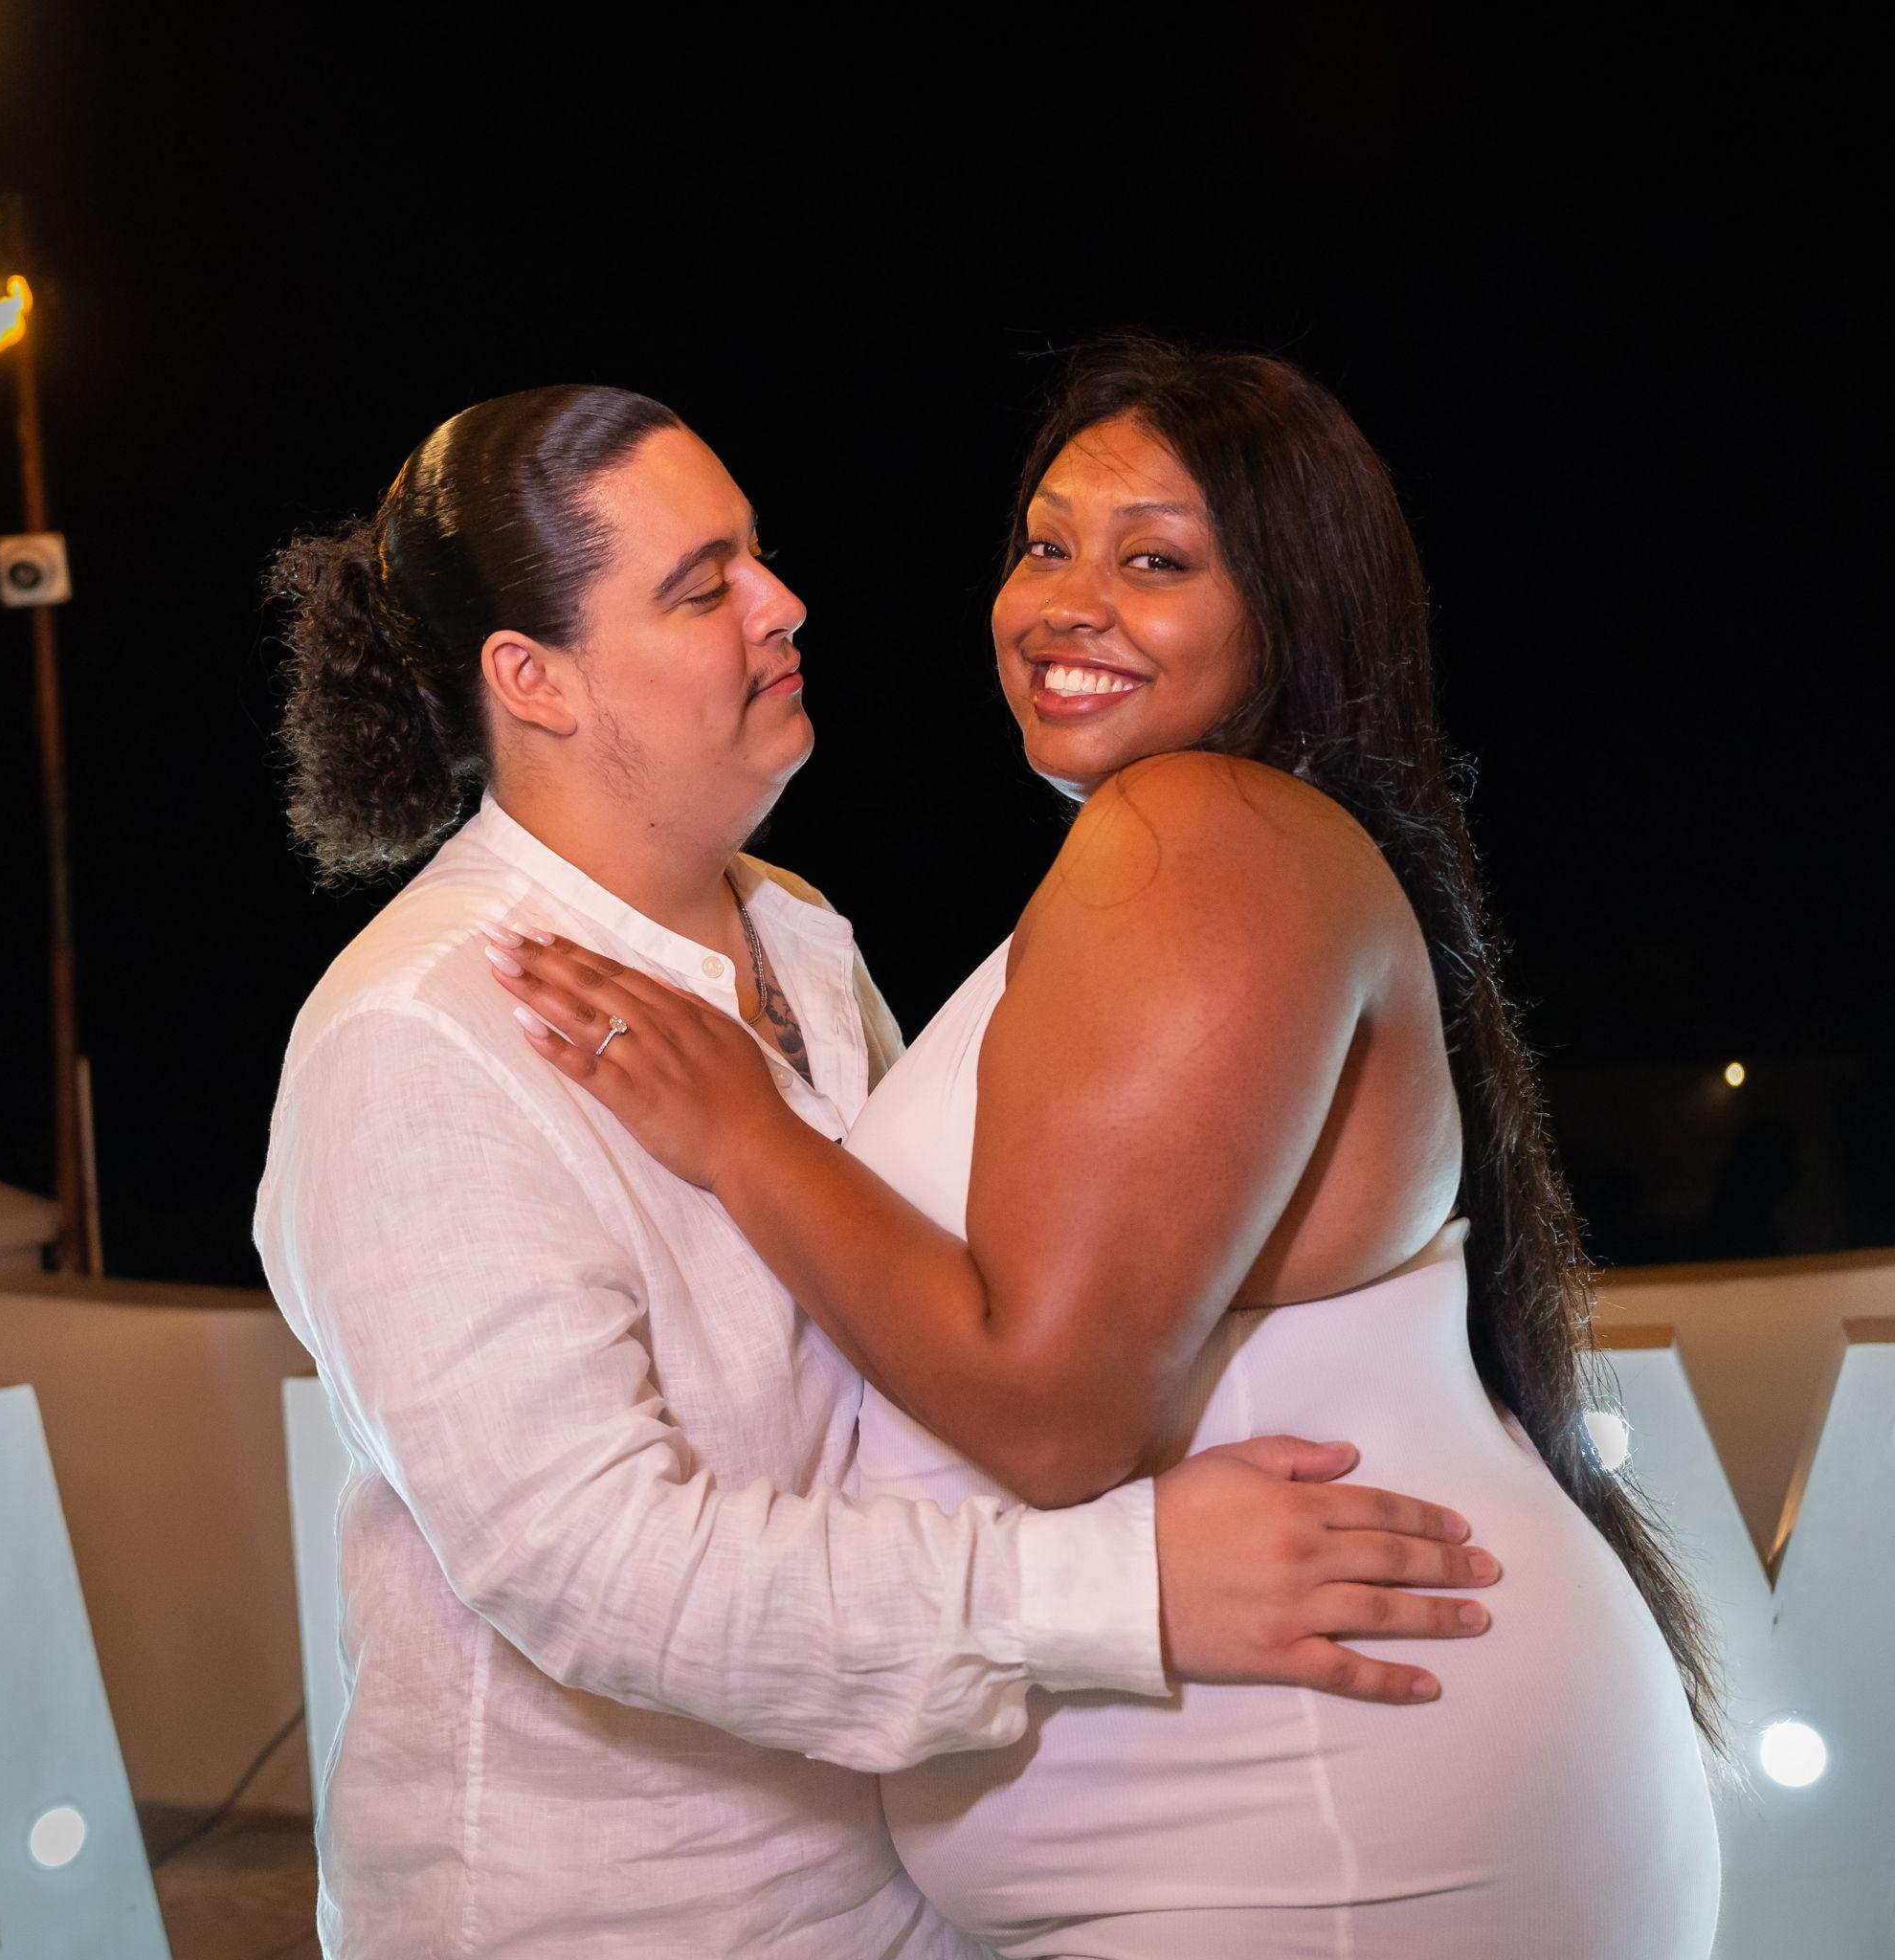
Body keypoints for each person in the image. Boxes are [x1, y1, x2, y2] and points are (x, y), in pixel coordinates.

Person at [489, 344, 1725, 1959]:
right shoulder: (1218, 847)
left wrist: (740, 1129)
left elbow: (1056, 1415)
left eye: (1155, 563)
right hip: (1303, 1826)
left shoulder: (1203, 834)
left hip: (1331, 1839)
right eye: (1046, 543)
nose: (1064, 605)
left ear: (1288, 610)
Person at [254, 383, 1499, 1959]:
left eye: (758, 554)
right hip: (628, 1920)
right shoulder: (421, 1030)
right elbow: (590, 1569)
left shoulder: (796, 932)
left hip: (900, 1894)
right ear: (533, 679)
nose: (782, 603)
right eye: (703, 586)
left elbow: (930, 1347)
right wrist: (1119, 1588)